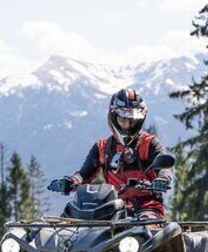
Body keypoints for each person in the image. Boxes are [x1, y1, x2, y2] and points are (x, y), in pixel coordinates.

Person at [48, 88, 172, 218]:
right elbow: (84, 175)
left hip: (147, 208)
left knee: (146, 228)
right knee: (69, 224)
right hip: (112, 208)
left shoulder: (149, 143)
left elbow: (163, 167)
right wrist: (71, 182)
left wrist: (162, 179)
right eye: (123, 119)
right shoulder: (102, 147)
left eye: (132, 120)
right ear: (113, 117)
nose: (128, 124)